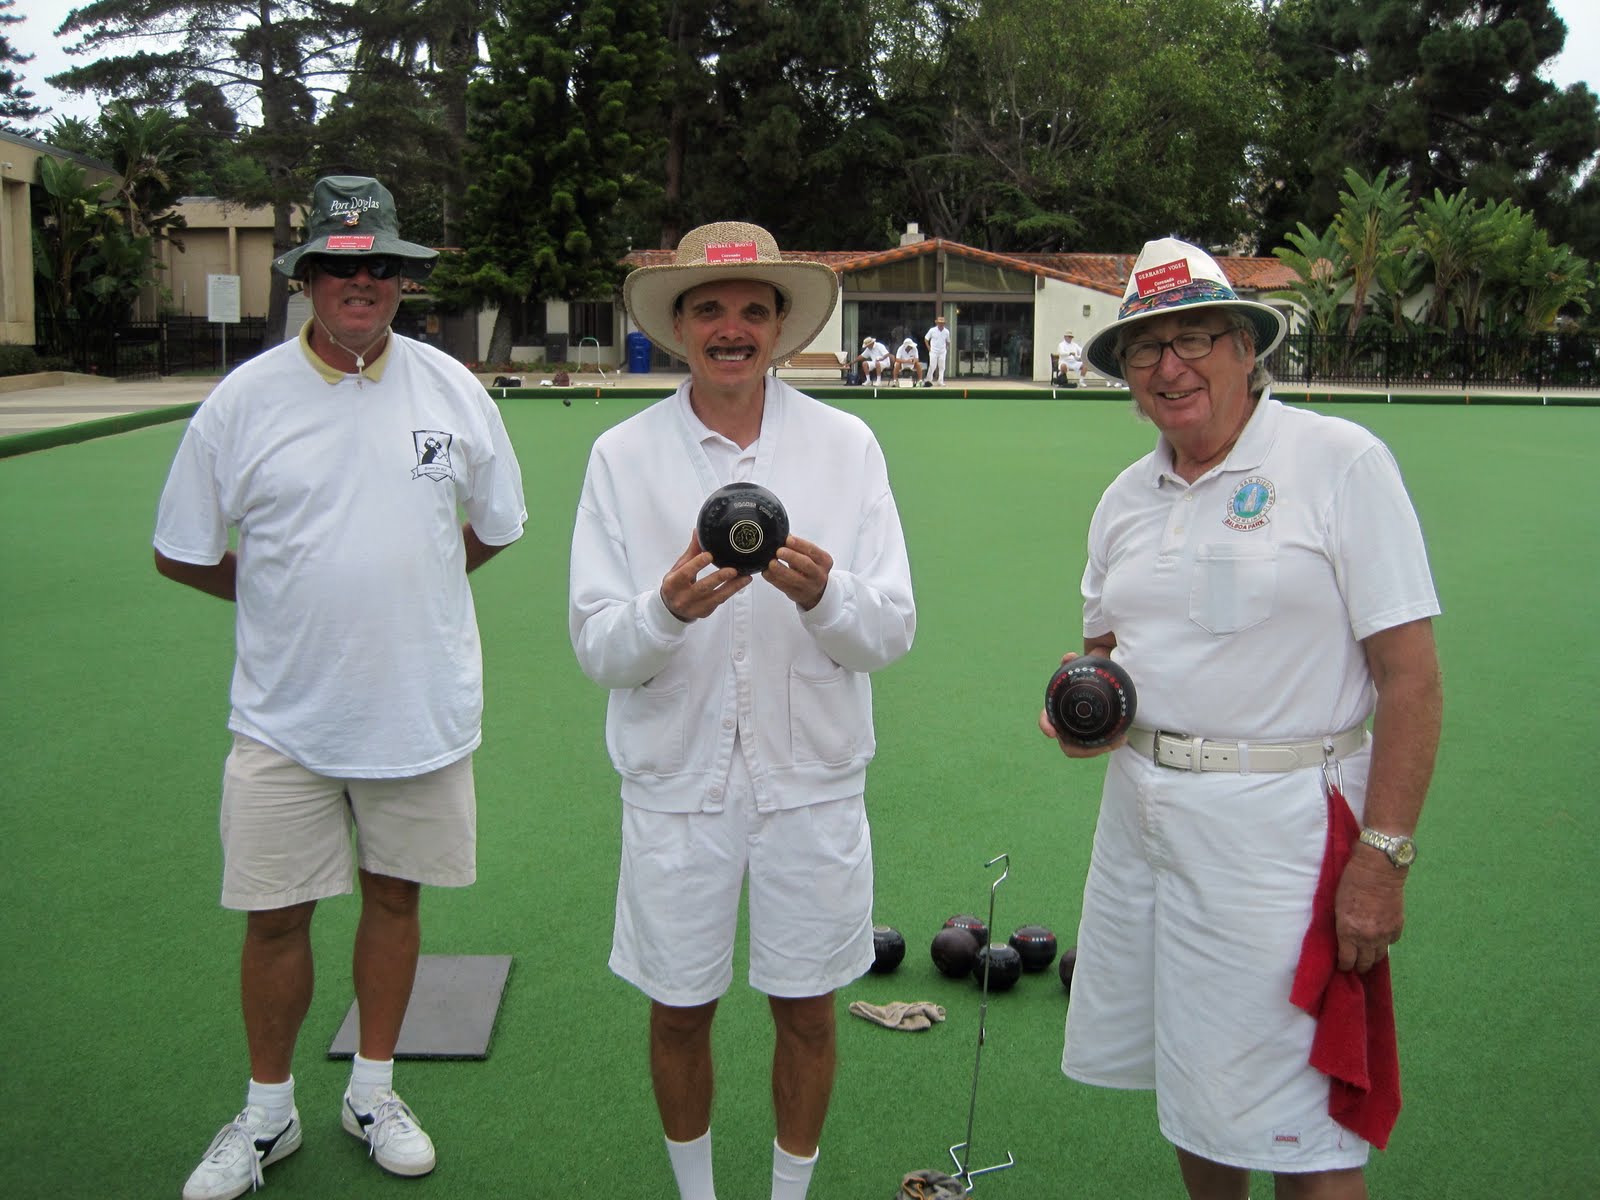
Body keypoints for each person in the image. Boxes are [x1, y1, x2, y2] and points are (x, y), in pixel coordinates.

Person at [1039, 238, 1441, 1200]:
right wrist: (1085, 707)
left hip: (1283, 841)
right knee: (1193, 1088)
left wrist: (1382, 858)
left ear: (1246, 348)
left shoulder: (1339, 461)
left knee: (1305, 1131)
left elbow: (1412, 679)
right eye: (1146, 349)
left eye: (1196, 339)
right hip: (1143, 831)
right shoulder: (1124, 499)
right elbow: (1103, 652)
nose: (1170, 367)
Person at [154, 175, 527, 1200]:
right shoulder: (244, 401)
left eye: (380, 268)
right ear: (308, 277)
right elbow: (181, 549)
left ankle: (372, 1092)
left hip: (419, 708)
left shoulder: (452, 389)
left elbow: (495, 526)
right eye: (338, 267)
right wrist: (278, 594)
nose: (360, 284)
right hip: (284, 716)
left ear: (401, 280)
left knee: (395, 899)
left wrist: (420, 581)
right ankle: (266, 1115)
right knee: (274, 916)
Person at [569, 221, 916, 1200]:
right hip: (675, 779)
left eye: (753, 310)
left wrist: (824, 596)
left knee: (807, 1009)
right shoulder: (622, 456)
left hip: (811, 778)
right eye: (711, 309)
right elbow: (597, 645)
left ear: (779, 327)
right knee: (680, 1008)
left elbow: (890, 629)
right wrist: (665, 611)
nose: (732, 328)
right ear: (679, 326)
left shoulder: (846, 446)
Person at [923, 314, 950, 386]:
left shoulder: (946, 331)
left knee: (942, 367)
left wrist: (946, 348)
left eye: (942, 323)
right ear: (937, 323)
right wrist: (929, 348)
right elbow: (926, 339)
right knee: (932, 366)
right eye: (940, 323)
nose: (941, 324)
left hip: (942, 351)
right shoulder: (932, 330)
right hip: (933, 351)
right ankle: (928, 380)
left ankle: (940, 381)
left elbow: (948, 341)